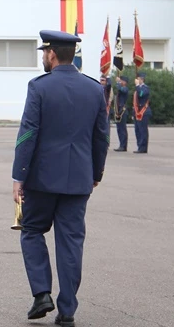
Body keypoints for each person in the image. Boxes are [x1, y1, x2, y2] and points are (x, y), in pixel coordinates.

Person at [11, 30, 108, 326]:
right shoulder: (93, 89)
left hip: (41, 179)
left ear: (52, 54)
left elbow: (28, 133)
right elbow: (101, 137)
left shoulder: (39, 87)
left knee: (31, 231)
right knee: (71, 243)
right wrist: (96, 173)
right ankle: (67, 310)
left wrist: (18, 176)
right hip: (79, 179)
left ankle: (42, 294)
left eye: (44, 52)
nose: (43, 57)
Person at [132, 73, 150, 154]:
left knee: (143, 130)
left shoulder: (145, 88)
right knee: (137, 130)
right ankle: (139, 146)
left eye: (138, 79)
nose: (137, 80)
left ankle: (143, 148)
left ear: (142, 79)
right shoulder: (138, 88)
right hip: (137, 112)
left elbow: (141, 94)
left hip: (143, 112)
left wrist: (137, 86)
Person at [111, 75, 129, 152]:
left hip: (122, 111)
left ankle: (123, 145)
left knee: (122, 129)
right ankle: (121, 144)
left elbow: (121, 89)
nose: (120, 82)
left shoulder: (125, 88)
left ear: (125, 82)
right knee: (119, 129)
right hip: (118, 111)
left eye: (121, 80)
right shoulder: (120, 88)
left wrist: (118, 82)